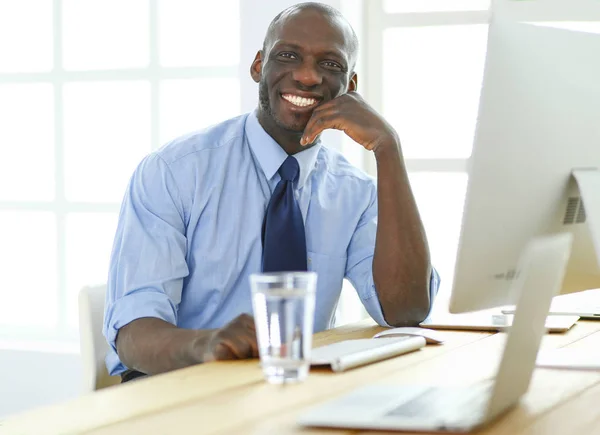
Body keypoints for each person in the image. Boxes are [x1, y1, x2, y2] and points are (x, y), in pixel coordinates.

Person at [103, 2, 440, 382]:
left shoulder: (355, 192)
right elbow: (132, 336)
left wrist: (388, 149)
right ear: (259, 66)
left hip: (294, 391)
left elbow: (407, 311)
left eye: (330, 64)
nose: (308, 76)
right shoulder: (176, 172)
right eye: (288, 55)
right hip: (182, 387)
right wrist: (207, 344)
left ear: (352, 87)